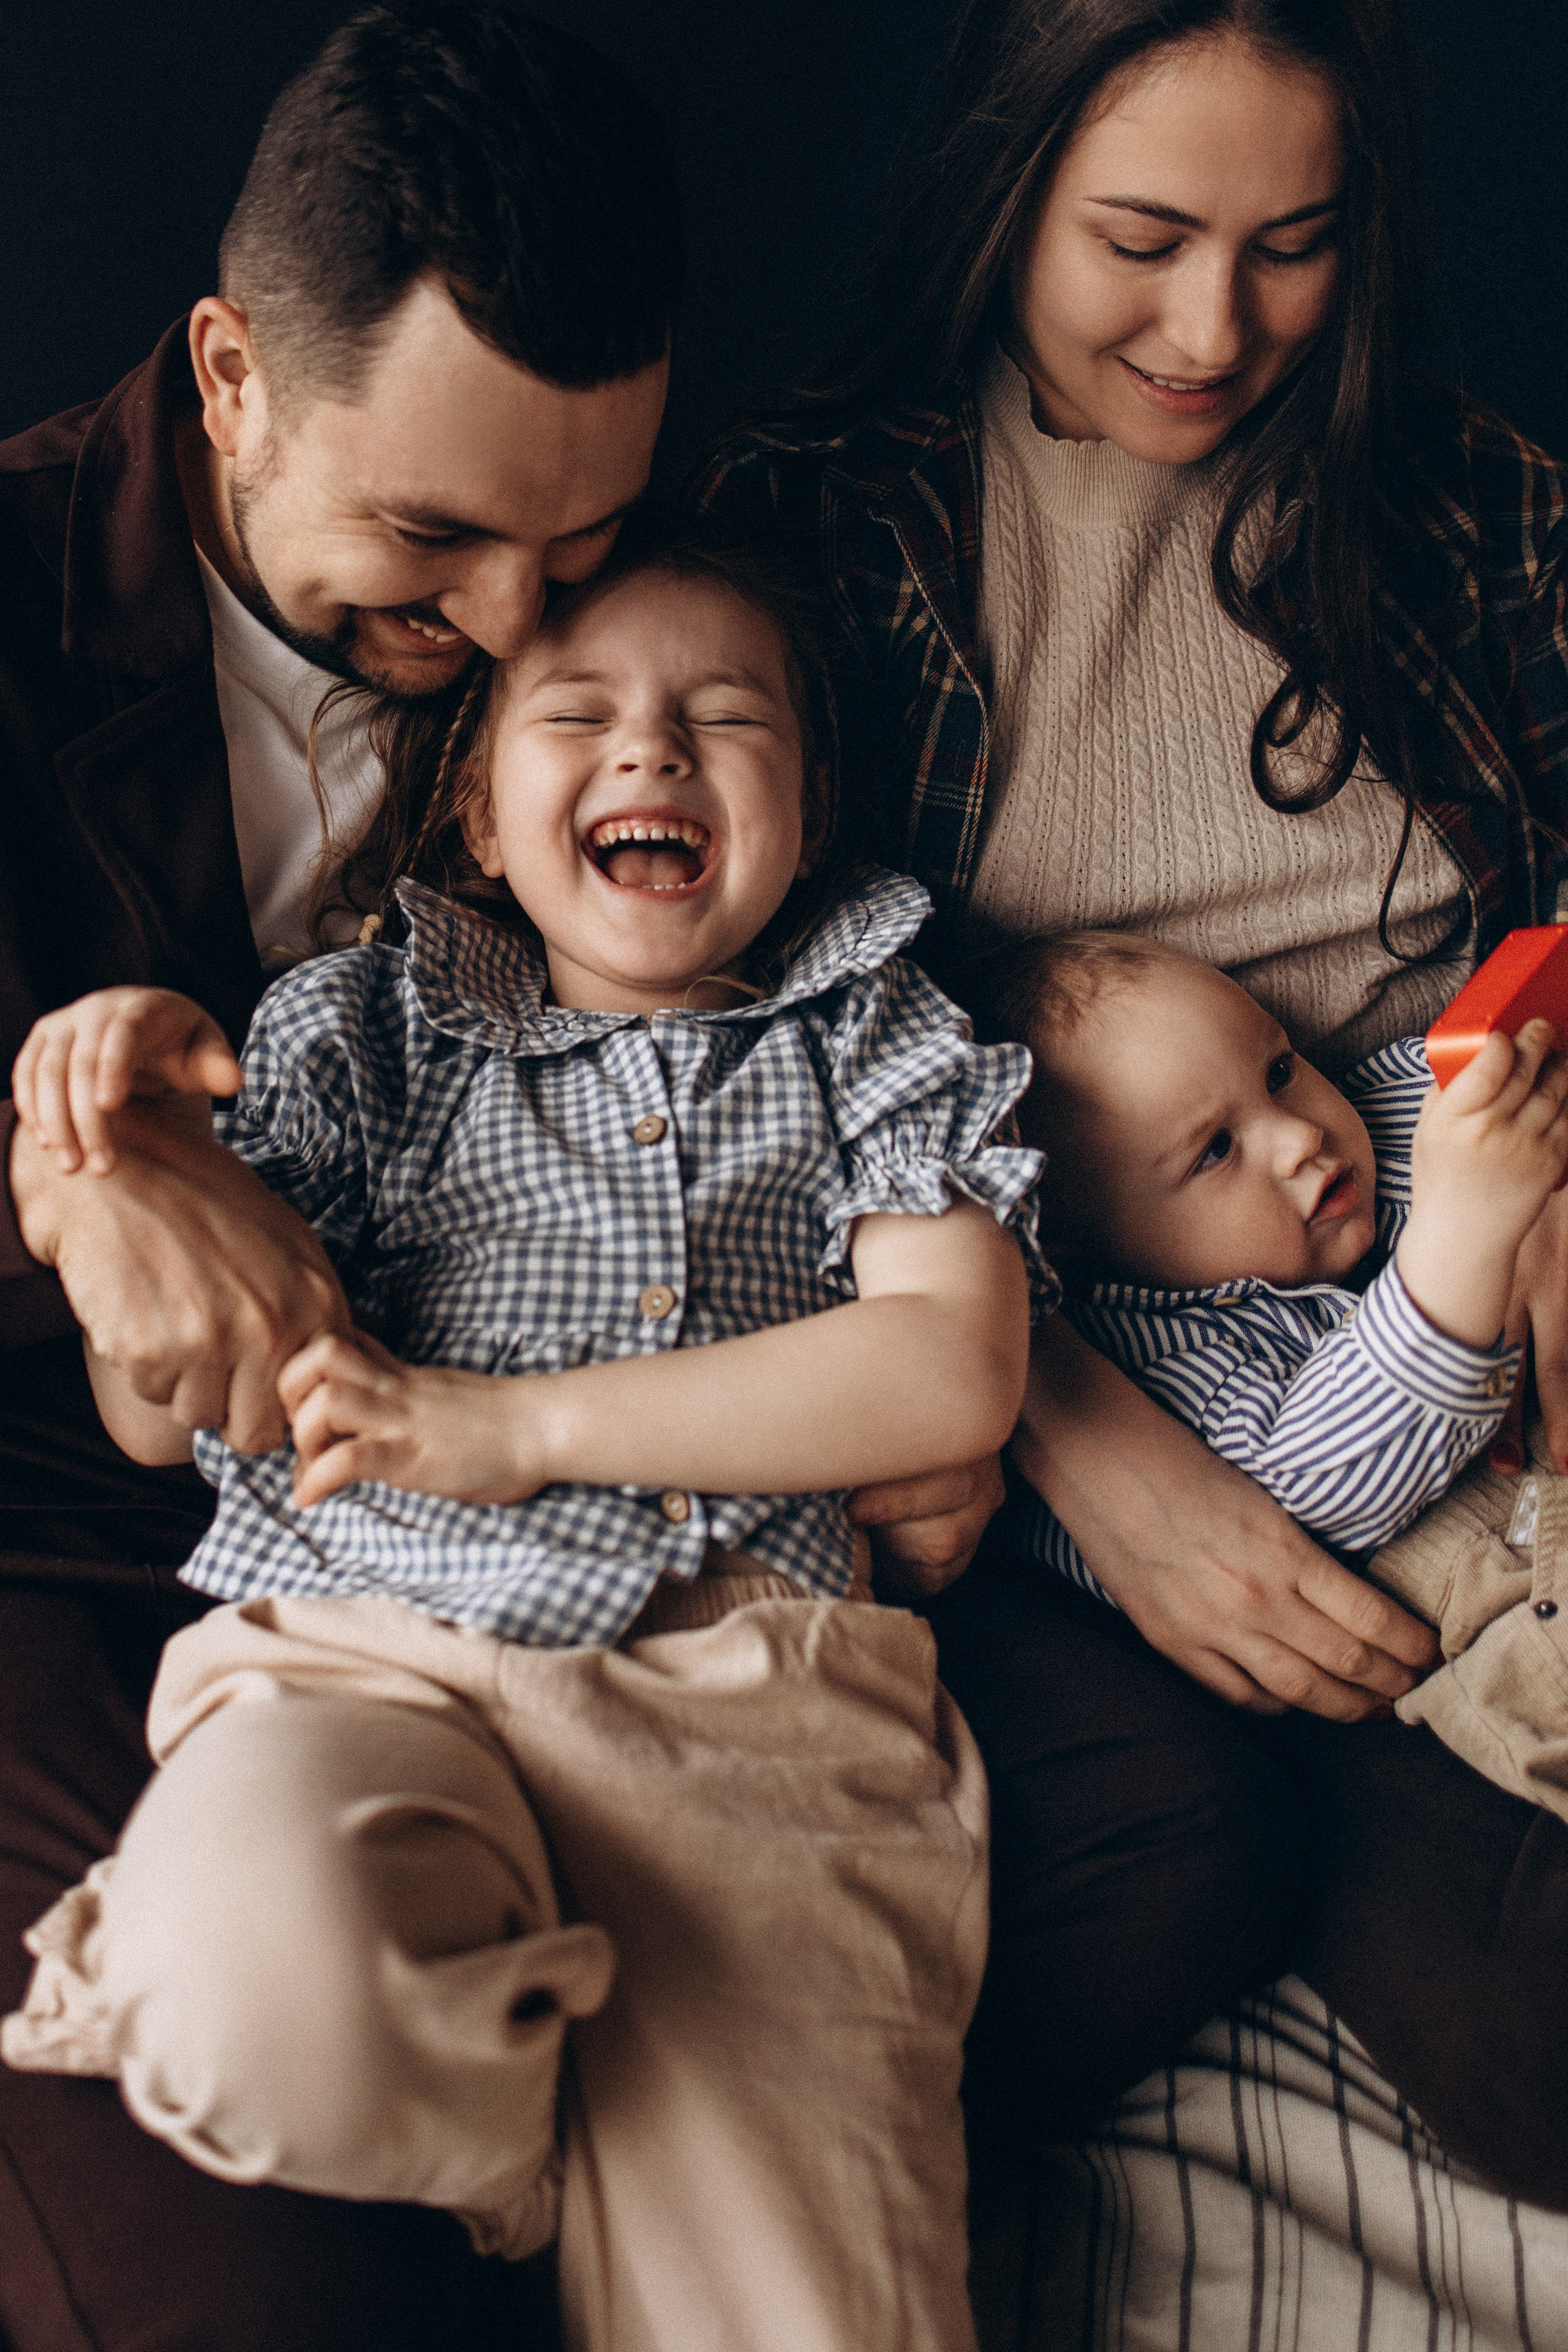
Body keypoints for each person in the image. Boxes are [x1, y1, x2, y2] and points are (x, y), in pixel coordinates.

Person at [698, 0, 1568, 2196]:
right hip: (1086, 1360)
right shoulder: (822, 529)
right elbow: (731, 1066)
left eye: (1296, 246)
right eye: (1144, 241)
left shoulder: (1469, 506)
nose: (1215, 332)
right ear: (1009, 196)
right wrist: (1083, 1439)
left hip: (1479, 1238)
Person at [4, 536, 1038, 2352]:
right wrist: (138, 1172)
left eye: (727, 718)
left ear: (806, 816)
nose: (652, 749)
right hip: (365, 1660)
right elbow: (153, 1419)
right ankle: (533, 2116)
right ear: (479, 814)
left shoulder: (873, 1030)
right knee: (238, 1973)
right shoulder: (352, 1029)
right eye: (580, 714)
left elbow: (950, 1365)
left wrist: (520, 1426)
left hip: (754, 1712)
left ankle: (633, 2126)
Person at [0, 7, 684, 2343]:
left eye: (580, 539)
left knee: (1156, 1831)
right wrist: (63, 1168)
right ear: (231, 377)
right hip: (67, 1553)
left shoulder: (636, 598)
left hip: (529, 1505)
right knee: (269, 2281)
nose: (516, 625)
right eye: (432, 538)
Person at [984, 927, 1568, 1817]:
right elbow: (1314, 1499)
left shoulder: (1389, 1109)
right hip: (1519, 1593)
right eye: (1215, 1150)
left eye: (1280, 1071)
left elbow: (1518, 1053)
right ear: (1073, 1251)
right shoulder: (1147, 1355)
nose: (1300, 1137)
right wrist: (1462, 1242)